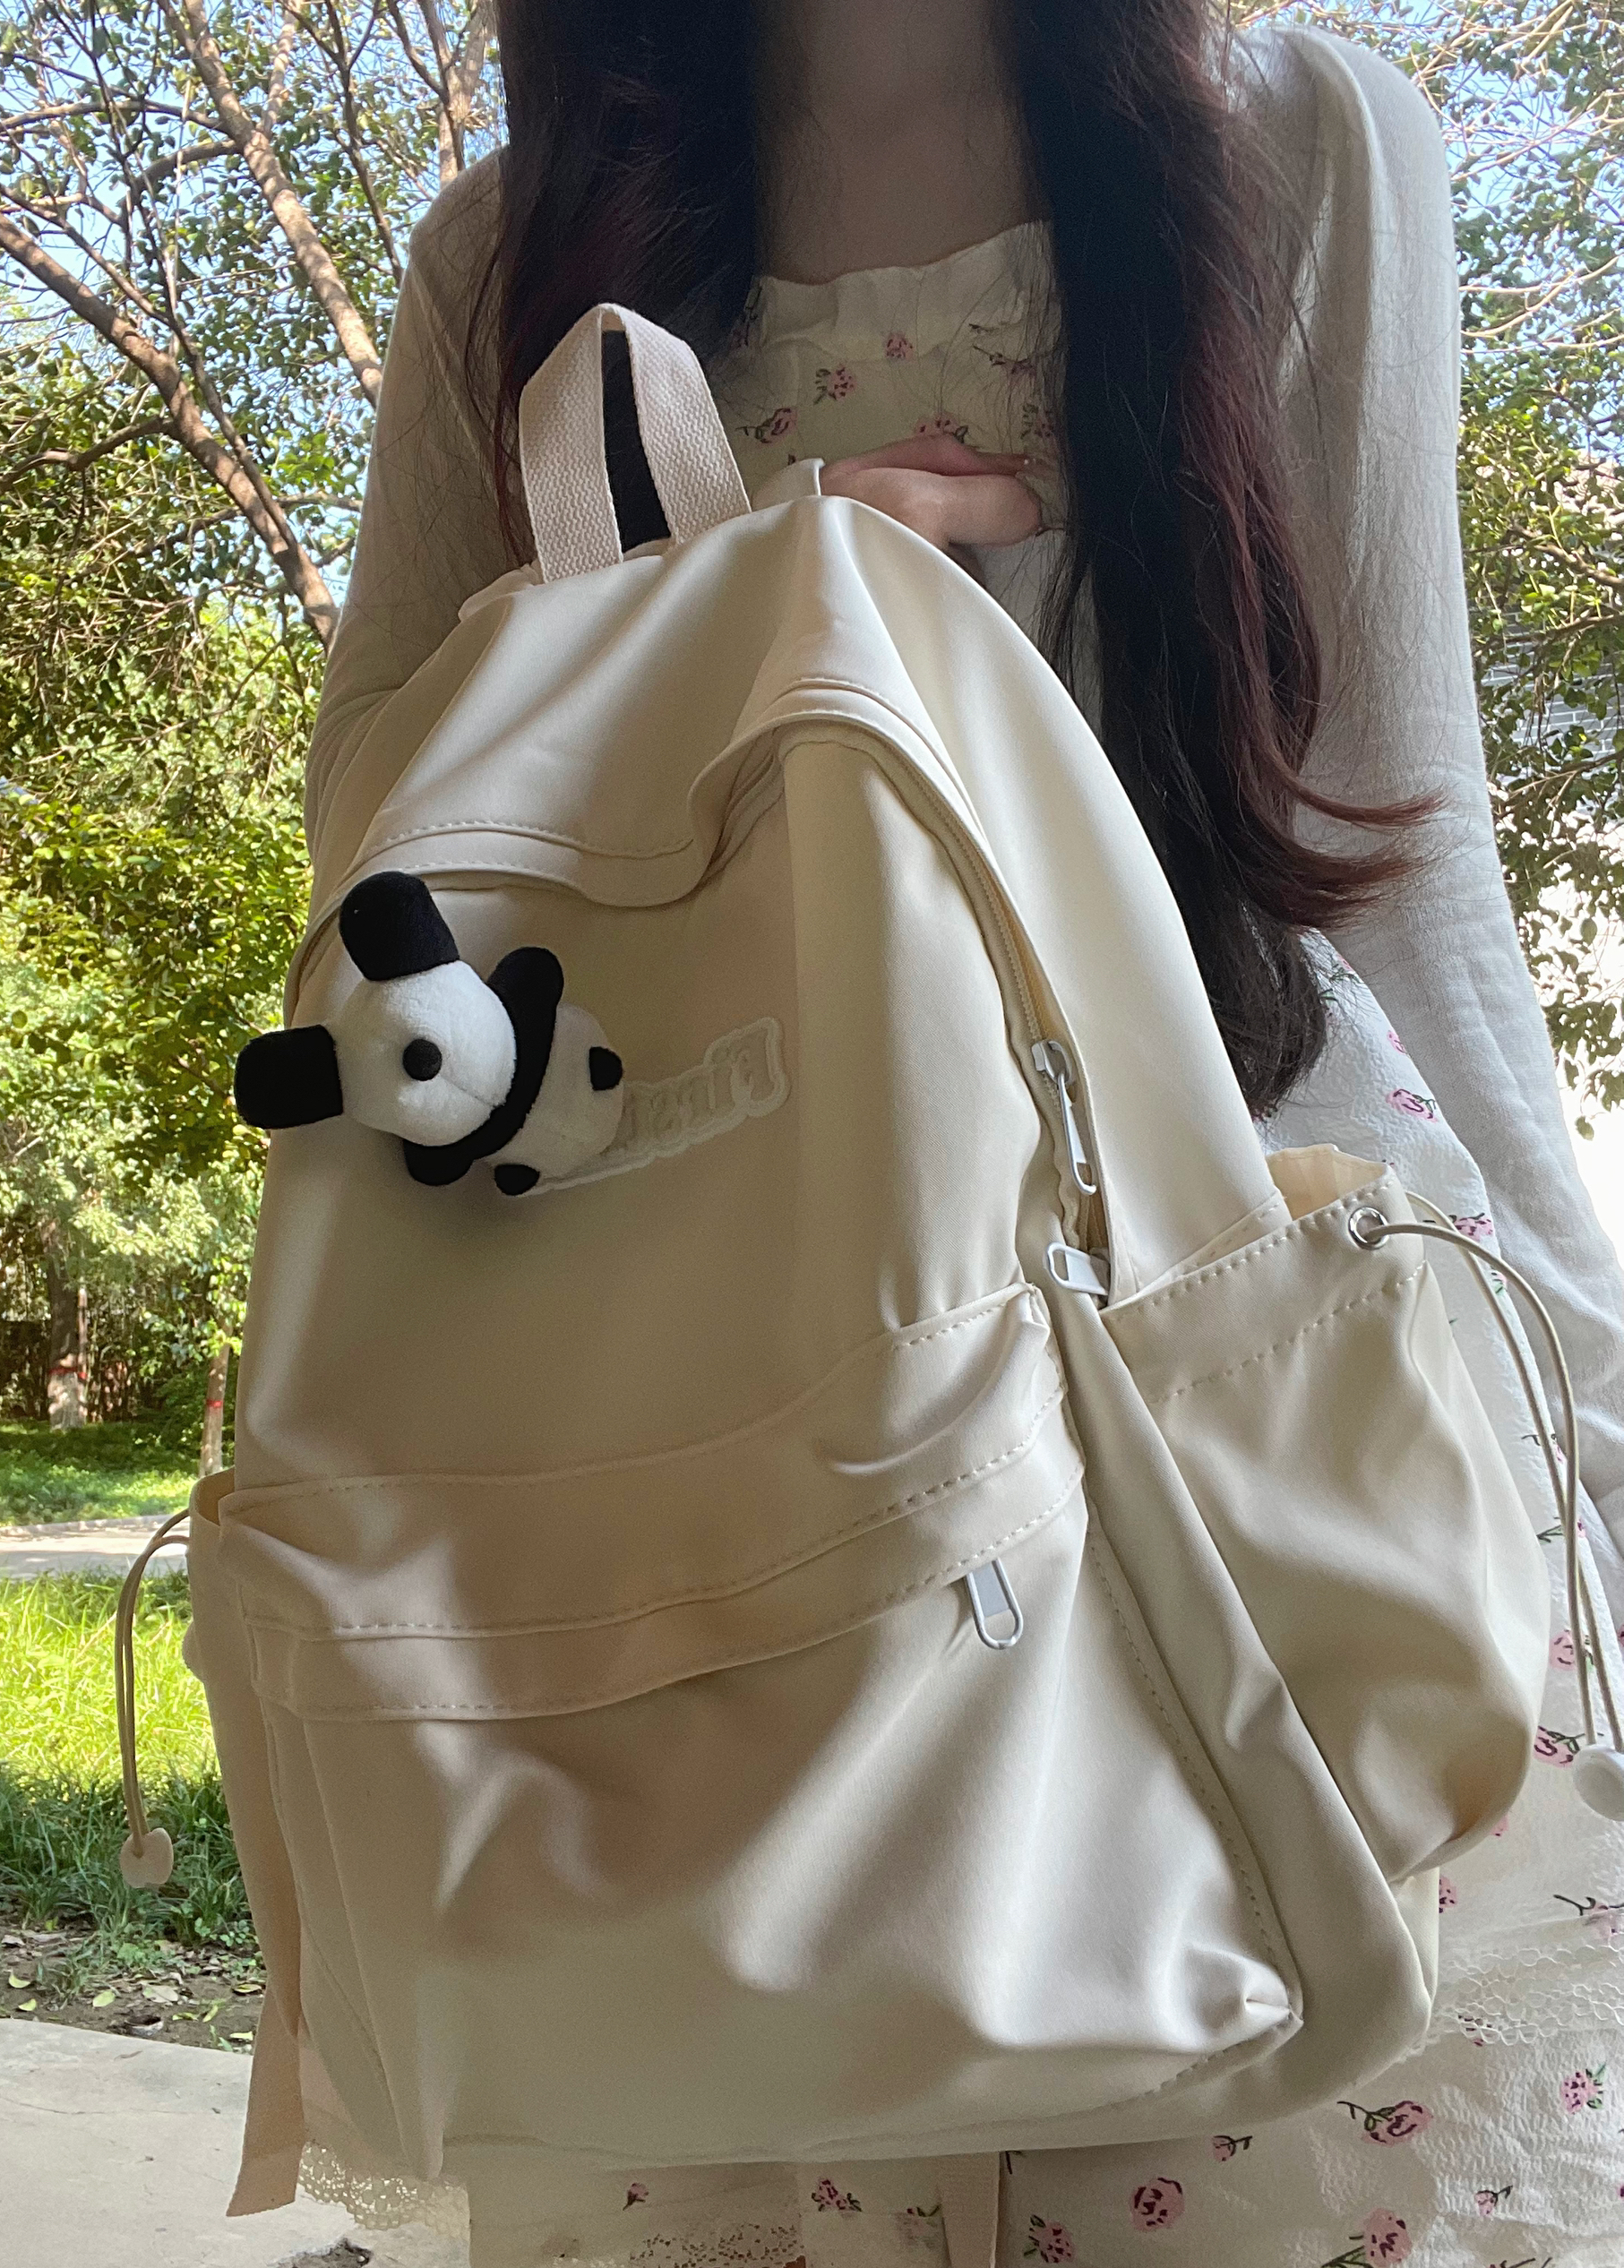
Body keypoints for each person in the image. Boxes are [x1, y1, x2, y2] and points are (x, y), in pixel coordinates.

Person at [304, 3, 1624, 2260]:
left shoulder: (1293, 144)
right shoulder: (509, 246)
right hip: (712, 1457)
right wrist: (739, 614)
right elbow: (381, 867)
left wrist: (1584, 1403)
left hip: (1231, 1364)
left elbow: (1395, 853)